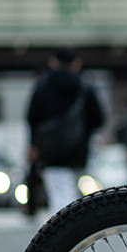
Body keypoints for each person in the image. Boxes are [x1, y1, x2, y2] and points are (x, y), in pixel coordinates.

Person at [26, 49, 104, 212]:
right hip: (78, 149)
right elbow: (99, 118)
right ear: (76, 64)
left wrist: (33, 145)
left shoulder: (43, 86)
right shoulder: (84, 86)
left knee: (59, 192)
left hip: (51, 150)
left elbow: (32, 118)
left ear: (53, 62)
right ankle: (77, 228)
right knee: (78, 191)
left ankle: (63, 229)